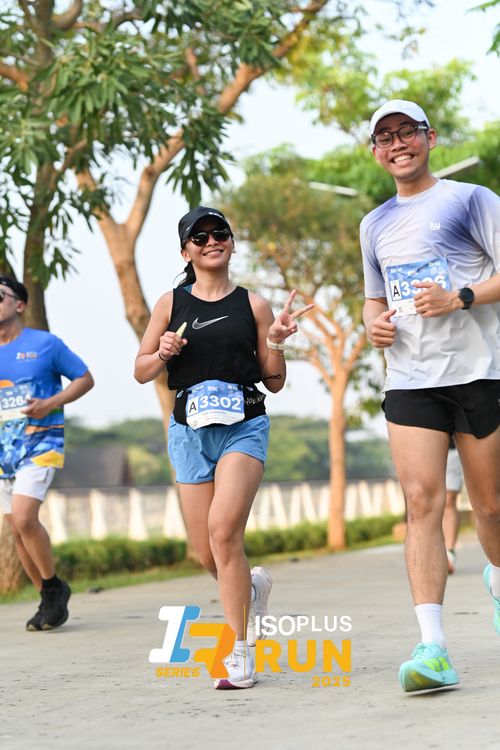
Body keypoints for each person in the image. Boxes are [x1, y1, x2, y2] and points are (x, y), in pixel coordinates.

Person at [135, 206, 312, 690]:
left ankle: (240, 650)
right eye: (200, 237)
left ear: (231, 244)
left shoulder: (253, 305)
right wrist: (161, 352)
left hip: (243, 428)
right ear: (185, 252)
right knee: (206, 553)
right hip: (188, 433)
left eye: (221, 234)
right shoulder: (170, 304)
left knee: (223, 532)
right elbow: (141, 370)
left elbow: (273, 381)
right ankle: (251, 589)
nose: (212, 241)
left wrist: (276, 342)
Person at [360, 99, 500, 692]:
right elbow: (374, 298)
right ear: (376, 152)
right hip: (411, 378)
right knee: (421, 504)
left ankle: (497, 576)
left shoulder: (471, 200)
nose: (398, 144)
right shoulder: (373, 224)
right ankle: (432, 648)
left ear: (430, 138)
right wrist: (372, 325)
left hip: (477, 371)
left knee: (490, 507)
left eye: (407, 133)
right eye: (385, 137)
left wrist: (459, 297)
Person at [0, 276, 94, 630]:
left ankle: (53, 586)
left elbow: (84, 379)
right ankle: (47, 597)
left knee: (25, 518)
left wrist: (51, 403)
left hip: (41, 444)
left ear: (19, 304)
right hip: (3, 453)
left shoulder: (45, 344)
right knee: (16, 528)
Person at [443, 437, 464, 575]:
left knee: (449, 500)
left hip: (453, 445)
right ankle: (434, 553)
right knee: (425, 503)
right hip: (423, 445)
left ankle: (449, 553)